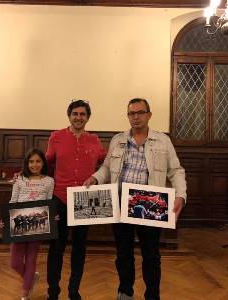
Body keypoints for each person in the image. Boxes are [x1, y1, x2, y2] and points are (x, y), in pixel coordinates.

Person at [84, 98, 187, 300]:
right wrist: (95, 178)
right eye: (132, 113)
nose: (136, 117)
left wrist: (181, 195)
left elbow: (176, 171)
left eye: (140, 112)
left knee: (151, 255)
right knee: (123, 254)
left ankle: (152, 295)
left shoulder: (162, 140)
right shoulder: (118, 140)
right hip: (121, 202)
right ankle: (125, 292)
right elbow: (106, 167)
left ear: (149, 114)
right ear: (128, 116)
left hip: (149, 204)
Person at [46, 100, 106, 300]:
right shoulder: (56, 137)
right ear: (69, 116)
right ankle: (53, 292)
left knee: (80, 248)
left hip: (85, 200)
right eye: (75, 114)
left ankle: (74, 291)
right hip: (60, 198)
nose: (78, 117)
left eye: (82, 114)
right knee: (56, 247)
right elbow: (45, 163)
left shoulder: (95, 141)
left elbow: (106, 165)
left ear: (88, 117)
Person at [9, 148, 54, 300]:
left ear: (43, 163)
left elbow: (48, 202)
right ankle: (31, 277)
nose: (34, 165)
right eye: (31, 162)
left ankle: (25, 292)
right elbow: (13, 200)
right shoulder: (20, 179)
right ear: (27, 163)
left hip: (38, 223)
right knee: (14, 262)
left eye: (38, 161)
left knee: (31, 258)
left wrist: (52, 216)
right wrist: (5, 218)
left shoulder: (49, 181)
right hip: (19, 222)